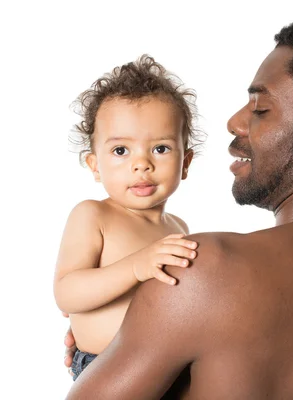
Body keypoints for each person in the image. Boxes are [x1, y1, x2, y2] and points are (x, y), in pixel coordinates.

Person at [64, 18, 293, 399]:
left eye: (260, 109)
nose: (234, 122)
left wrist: (122, 354)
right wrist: (133, 337)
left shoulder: (205, 267)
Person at [54, 54, 203, 381]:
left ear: (186, 162)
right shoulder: (93, 216)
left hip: (166, 366)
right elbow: (66, 293)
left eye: (160, 148)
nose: (142, 164)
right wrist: (137, 266)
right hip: (105, 367)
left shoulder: (179, 229)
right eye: (121, 151)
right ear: (95, 165)